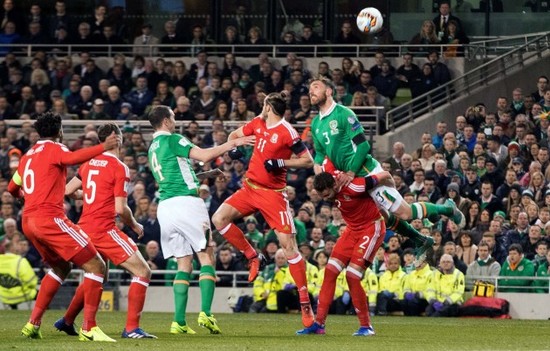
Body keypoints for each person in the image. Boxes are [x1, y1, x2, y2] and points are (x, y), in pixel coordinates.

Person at [308, 76, 465, 260]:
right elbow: (319, 156)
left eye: (316, 87)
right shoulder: (315, 124)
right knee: (383, 216)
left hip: (364, 171)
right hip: (349, 180)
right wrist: (320, 179)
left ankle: (448, 208)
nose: (311, 91)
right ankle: (421, 240)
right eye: (310, 88)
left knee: (405, 213)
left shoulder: (344, 114)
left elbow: (363, 146)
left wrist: (351, 172)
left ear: (328, 91)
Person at [7, 112, 119, 341]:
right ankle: (89, 327)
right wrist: (103, 147)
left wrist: (21, 194)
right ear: (59, 131)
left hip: (28, 221)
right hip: (50, 219)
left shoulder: (27, 156)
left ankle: (33, 323)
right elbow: (74, 158)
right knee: (97, 266)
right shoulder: (54, 149)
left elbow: (11, 187)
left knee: (61, 268)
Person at [211, 91, 315, 328]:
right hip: (249, 189)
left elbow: (308, 161)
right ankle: (252, 255)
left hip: (273, 195)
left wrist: (281, 162)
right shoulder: (257, 123)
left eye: (264, 104)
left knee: (289, 247)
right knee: (219, 218)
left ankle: (305, 305)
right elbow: (233, 135)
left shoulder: (287, 131)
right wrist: (234, 147)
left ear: (269, 107)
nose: (261, 107)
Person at [147, 105, 254, 335]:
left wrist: (206, 176)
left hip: (165, 208)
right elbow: (205, 156)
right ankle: (206, 313)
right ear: (166, 121)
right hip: (187, 204)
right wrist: (232, 143)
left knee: (184, 264)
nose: (175, 121)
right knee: (207, 256)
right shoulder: (173, 139)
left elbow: (177, 175)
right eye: (173, 117)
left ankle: (179, 322)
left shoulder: (152, 148)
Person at [56, 123, 155, 339]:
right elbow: (121, 209)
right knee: (143, 271)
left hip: (84, 228)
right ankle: (131, 328)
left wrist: (92, 196)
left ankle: (67, 320)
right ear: (118, 139)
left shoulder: (88, 163)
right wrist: (135, 225)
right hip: (103, 229)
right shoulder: (119, 167)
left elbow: (68, 191)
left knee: (96, 275)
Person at [296, 169, 390, 336]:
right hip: (352, 230)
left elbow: (385, 174)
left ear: (334, 185)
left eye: (327, 194)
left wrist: (392, 196)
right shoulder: (332, 184)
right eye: (323, 196)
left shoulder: (355, 186)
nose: (326, 199)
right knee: (330, 272)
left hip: (371, 228)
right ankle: (319, 324)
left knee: (352, 276)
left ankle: (366, 326)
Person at [0, 240, 38, 309]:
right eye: (16, 245)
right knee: (41, 294)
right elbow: (32, 282)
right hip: (21, 295)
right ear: (12, 248)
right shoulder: (20, 261)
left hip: (4, 296)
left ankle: (13, 309)